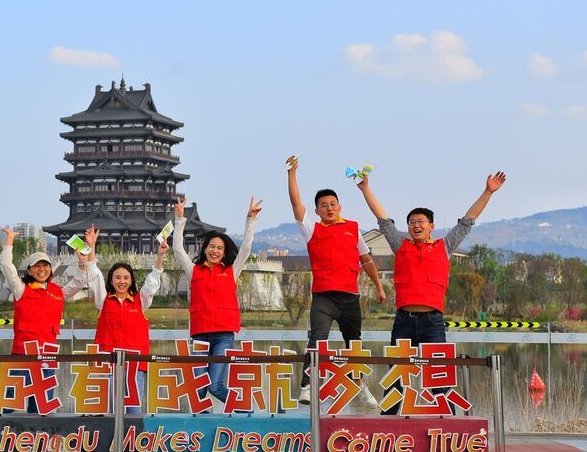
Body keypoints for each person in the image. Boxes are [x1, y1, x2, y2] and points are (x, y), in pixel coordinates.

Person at [356, 170, 507, 414]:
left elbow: (467, 221)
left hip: (433, 323)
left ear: (431, 226)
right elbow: (382, 219)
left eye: (421, 222)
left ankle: (446, 422)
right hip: (404, 321)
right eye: (412, 222)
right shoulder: (400, 245)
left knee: (439, 375)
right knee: (396, 375)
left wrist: (488, 191)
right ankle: (389, 424)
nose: (416, 225)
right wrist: (365, 189)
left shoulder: (444, 246)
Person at [286, 156, 386, 408]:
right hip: (324, 297)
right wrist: (292, 173)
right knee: (317, 339)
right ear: (317, 211)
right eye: (323, 205)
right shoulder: (312, 229)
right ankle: (308, 385)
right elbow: (296, 203)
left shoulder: (353, 228)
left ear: (339, 206)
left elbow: (366, 260)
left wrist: (379, 287)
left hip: (350, 297)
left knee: (354, 344)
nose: (329, 208)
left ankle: (359, 385)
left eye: (333, 204)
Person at [0, 226, 89, 411]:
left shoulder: (57, 292)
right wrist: (9, 241)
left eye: (45, 265)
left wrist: (83, 262)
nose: (42, 269)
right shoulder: (21, 289)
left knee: (40, 409)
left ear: (50, 270)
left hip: (46, 358)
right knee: (6, 402)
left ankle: (34, 431)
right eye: (37, 266)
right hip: (23, 356)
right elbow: (7, 267)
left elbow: (80, 282)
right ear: (29, 271)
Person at [172, 195, 263, 407]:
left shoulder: (232, 271)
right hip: (200, 334)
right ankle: (202, 422)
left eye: (219, 248)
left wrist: (250, 220)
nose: (215, 251)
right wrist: (179, 219)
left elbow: (246, 250)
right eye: (211, 246)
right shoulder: (194, 271)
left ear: (224, 253)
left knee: (215, 386)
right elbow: (177, 249)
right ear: (205, 249)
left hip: (223, 335)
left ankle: (244, 409)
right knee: (200, 388)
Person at [83, 225, 167, 414]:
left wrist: (160, 256)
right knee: (112, 412)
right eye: (118, 278)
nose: (122, 281)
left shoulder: (140, 300)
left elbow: (152, 283)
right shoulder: (104, 300)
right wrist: (91, 246)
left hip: (135, 365)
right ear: (111, 280)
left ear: (131, 281)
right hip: (108, 364)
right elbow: (94, 275)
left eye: (126, 278)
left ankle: (133, 436)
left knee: (133, 413)